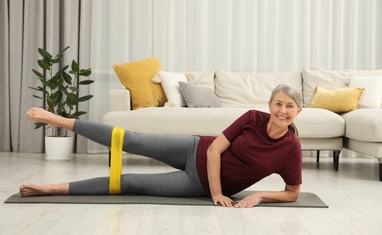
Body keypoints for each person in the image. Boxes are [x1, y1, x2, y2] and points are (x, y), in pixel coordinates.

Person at [20, 84, 303, 208]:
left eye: (289, 106)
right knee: (130, 139)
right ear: (269, 105)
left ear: (298, 111)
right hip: (195, 149)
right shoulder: (253, 117)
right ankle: (59, 119)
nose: (282, 110)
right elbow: (216, 149)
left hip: (197, 184)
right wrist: (218, 193)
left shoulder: (290, 148)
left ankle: (53, 188)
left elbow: (292, 193)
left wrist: (262, 196)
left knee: (129, 183)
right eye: (278, 103)